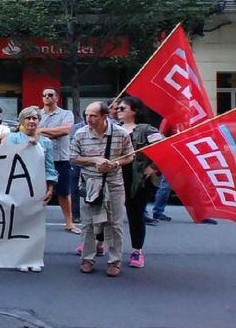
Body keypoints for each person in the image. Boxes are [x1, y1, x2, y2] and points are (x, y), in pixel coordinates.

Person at [72, 101, 134, 277]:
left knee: (115, 224)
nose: (88, 119)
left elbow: (130, 156)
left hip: (113, 183)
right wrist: (95, 160)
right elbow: (73, 157)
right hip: (89, 183)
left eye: (93, 116)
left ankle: (114, 261)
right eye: (87, 115)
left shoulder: (120, 133)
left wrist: (114, 163)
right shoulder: (81, 133)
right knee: (88, 224)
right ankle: (88, 258)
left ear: (104, 116)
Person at [5, 106, 58, 272]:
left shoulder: (46, 142)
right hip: (17, 186)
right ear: (22, 121)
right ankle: (19, 256)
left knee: (35, 224)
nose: (32, 121)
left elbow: (50, 167)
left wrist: (50, 187)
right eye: (28, 118)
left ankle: (34, 257)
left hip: (38, 187)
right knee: (19, 222)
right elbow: (7, 161)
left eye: (35, 118)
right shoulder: (13, 139)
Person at [115, 96, 162, 269]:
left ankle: (137, 251)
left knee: (135, 215)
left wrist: (154, 167)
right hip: (115, 176)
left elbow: (163, 149)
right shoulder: (115, 129)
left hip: (138, 180)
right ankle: (98, 243)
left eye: (122, 109)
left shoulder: (146, 130)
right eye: (118, 109)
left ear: (134, 111)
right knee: (107, 212)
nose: (118, 111)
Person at [37, 88, 81, 235]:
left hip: (61, 158)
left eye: (50, 95)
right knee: (36, 191)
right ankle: (34, 223)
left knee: (63, 191)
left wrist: (40, 131)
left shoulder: (66, 114)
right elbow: (28, 130)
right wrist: (51, 132)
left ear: (57, 97)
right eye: (44, 95)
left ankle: (69, 222)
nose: (46, 97)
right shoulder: (36, 114)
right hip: (39, 158)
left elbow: (66, 130)